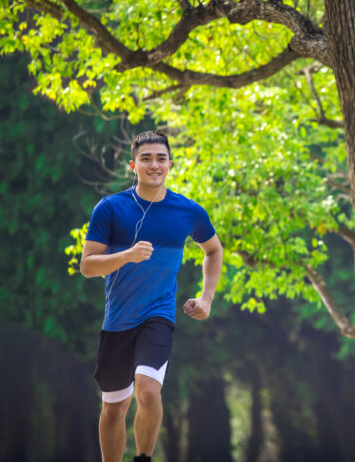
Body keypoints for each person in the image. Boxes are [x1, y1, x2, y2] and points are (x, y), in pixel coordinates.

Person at [80, 131, 223, 462]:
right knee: (114, 409)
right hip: (117, 321)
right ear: (133, 165)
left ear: (170, 165)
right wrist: (126, 256)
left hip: (158, 315)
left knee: (147, 390)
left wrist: (207, 298)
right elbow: (88, 266)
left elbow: (213, 250)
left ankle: (143, 458)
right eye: (146, 158)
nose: (154, 164)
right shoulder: (111, 208)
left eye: (161, 158)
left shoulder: (188, 211)